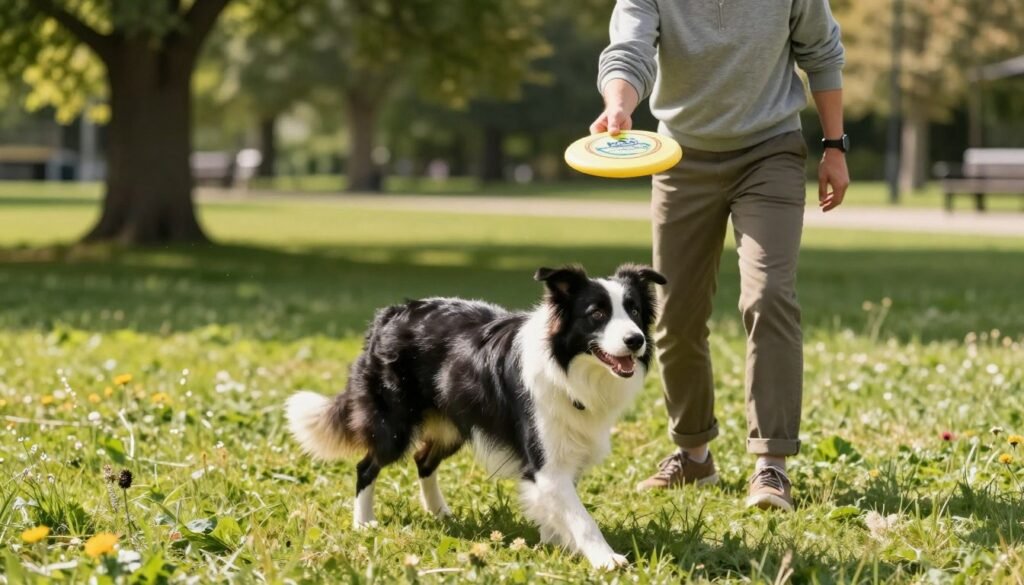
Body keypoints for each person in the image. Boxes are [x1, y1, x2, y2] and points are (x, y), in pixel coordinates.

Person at [593, 0, 849, 511]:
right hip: (680, 157)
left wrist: (835, 146)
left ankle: (771, 464)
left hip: (770, 151)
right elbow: (629, 49)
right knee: (676, 314)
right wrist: (619, 104)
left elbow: (821, 52)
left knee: (769, 297)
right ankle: (693, 454)